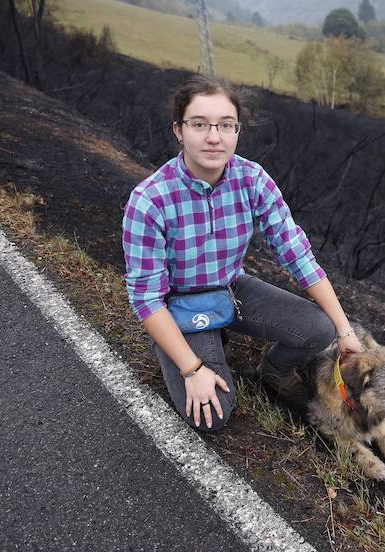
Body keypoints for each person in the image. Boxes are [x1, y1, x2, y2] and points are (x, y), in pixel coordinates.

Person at [122, 74, 362, 432]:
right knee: (213, 414)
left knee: (320, 328)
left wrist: (344, 331)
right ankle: (177, 349)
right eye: (199, 124)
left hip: (231, 289)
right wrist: (193, 369)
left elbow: (297, 254)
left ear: (238, 131)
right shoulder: (149, 200)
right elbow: (146, 299)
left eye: (225, 125)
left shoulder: (253, 180)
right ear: (179, 130)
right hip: (179, 305)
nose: (214, 136)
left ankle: (273, 368)